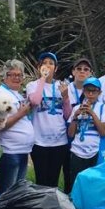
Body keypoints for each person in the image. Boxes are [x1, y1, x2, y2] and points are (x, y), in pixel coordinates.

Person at [27, 53, 72, 188]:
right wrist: (43, 79)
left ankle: (50, 207)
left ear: (56, 68)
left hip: (59, 141)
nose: (47, 65)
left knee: (53, 181)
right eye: (44, 63)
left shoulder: (62, 86)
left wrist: (65, 97)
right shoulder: (32, 85)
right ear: (39, 67)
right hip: (39, 142)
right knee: (41, 180)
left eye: (51, 63)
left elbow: (68, 115)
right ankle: (41, 208)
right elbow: (35, 101)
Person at [0, 60, 34, 193]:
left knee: (17, 192)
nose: (17, 78)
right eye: (13, 75)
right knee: (7, 193)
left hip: (21, 151)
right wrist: (21, 114)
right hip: (10, 152)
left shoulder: (15, 93)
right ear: (5, 76)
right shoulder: (2, 95)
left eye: (20, 75)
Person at [65, 78, 105, 191]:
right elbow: (70, 134)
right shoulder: (77, 108)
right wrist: (75, 117)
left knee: (94, 185)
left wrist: (92, 114)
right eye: (88, 90)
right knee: (77, 184)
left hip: (95, 152)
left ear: (99, 92)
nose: (90, 94)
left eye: (94, 91)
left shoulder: (103, 108)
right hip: (77, 151)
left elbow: (103, 132)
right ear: (84, 92)